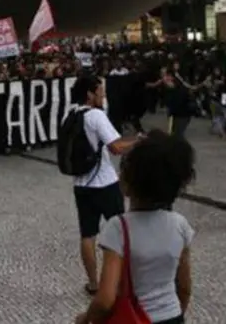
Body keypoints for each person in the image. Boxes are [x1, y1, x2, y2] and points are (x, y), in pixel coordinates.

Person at [74, 130, 194, 324]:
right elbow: (185, 287)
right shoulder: (180, 225)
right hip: (172, 316)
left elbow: (105, 300)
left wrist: (86, 320)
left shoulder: (119, 228)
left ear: (128, 183)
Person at [68, 75, 139, 295]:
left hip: (81, 184)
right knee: (122, 232)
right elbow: (116, 147)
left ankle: (93, 283)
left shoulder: (70, 114)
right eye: (100, 92)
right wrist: (139, 141)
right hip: (105, 183)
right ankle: (127, 280)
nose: (103, 96)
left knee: (87, 235)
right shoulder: (96, 116)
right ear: (90, 94)